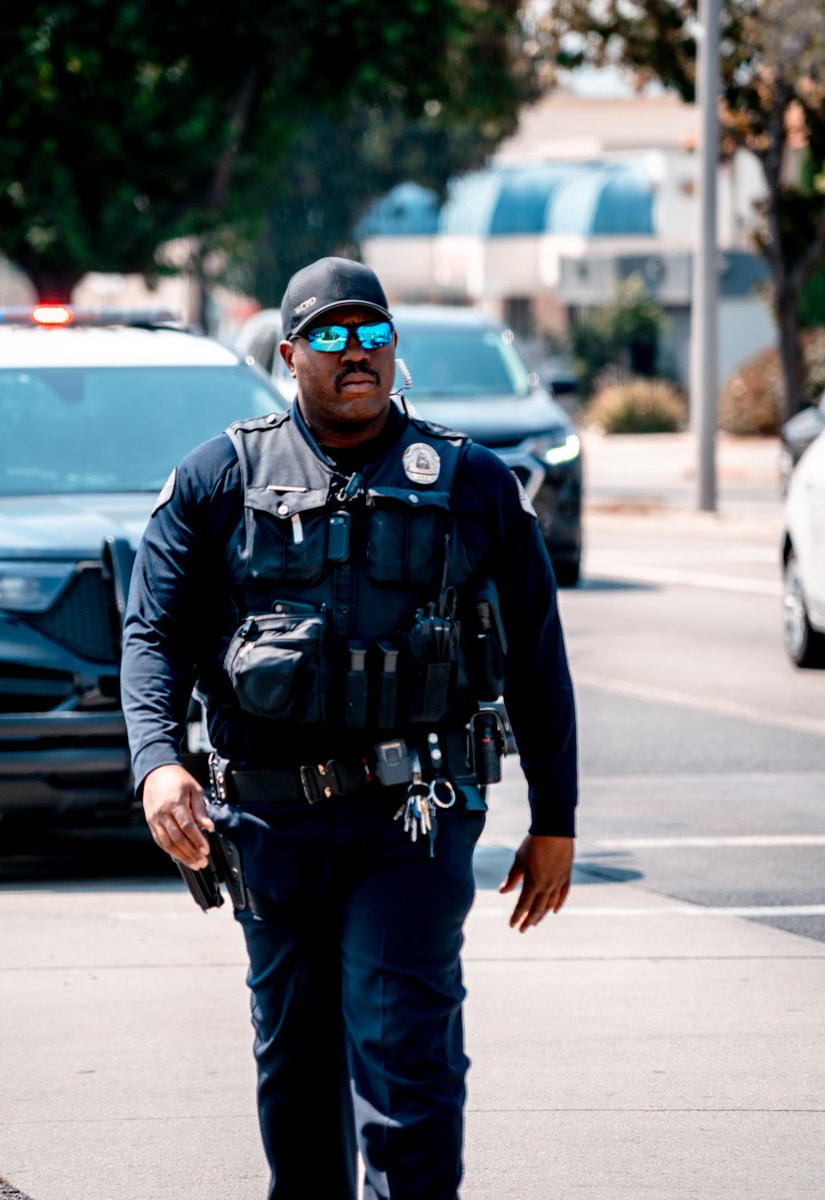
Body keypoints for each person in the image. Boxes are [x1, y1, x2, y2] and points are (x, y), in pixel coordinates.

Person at [120, 256, 577, 1199]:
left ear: (394, 347)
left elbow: (538, 655)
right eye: (330, 335)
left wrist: (556, 816)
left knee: (406, 1056)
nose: (355, 352)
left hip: (412, 813)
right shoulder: (219, 478)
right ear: (289, 354)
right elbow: (153, 634)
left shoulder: (474, 483)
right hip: (268, 823)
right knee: (293, 1069)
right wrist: (159, 765)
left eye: (372, 333)